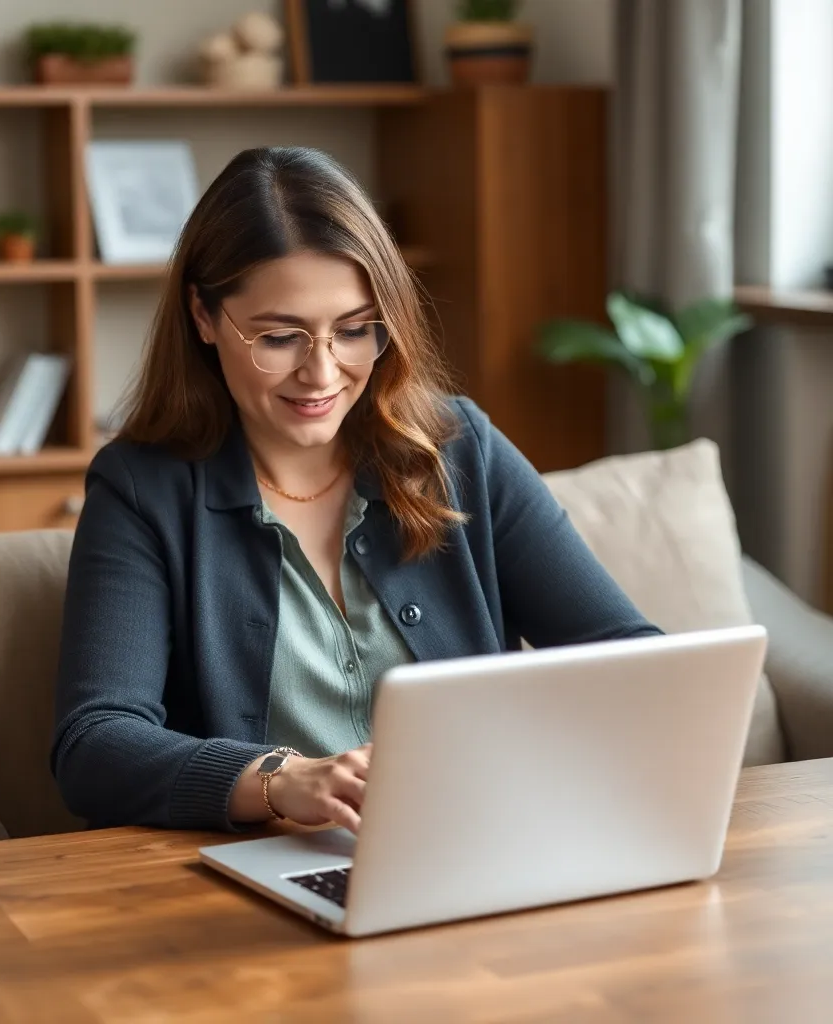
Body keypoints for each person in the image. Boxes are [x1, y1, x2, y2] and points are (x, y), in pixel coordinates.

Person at [51, 146, 661, 836]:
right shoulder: (142, 489)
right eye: (279, 337)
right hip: (271, 867)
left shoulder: (459, 447)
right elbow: (94, 743)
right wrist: (277, 781)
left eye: (352, 330)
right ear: (204, 316)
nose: (323, 373)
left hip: (477, 845)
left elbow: (632, 659)